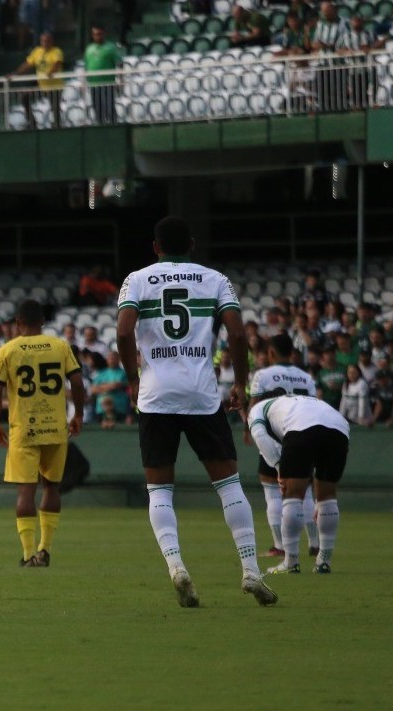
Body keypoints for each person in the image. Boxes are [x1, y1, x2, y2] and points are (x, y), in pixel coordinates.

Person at [115, 216, 278, 608]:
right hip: (202, 395)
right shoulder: (215, 279)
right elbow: (238, 334)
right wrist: (239, 383)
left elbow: (123, 332)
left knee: (160, 489)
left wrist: (133, 378)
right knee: (228, 485)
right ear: (191, 244)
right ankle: (251, 570)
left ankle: (176, 566)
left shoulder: (136, 280)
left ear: (155, 247)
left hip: (156, 395)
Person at [0, 299, 85, 567]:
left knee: (25, 492)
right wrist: (78, 415)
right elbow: (77, 381)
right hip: (55, 428)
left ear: (18, 323)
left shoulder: (7, 350)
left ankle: (28, 553)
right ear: (43, 321)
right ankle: (45, 549)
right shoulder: (60, 346)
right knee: (52, 488)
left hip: (23, 430)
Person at [248, 393, 350, 574]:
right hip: (339, 426)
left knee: (292, 496)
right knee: (327, 496)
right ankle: (323, 560)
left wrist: (279, 467)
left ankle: (290, 562)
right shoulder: (298, 400)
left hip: (301, 427)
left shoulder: (257, 409)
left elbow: (259, 435)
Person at [244, 334, 319, 559]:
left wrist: (248, 430)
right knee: (305, 492)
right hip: (302, 436)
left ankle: (280, 546)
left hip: (273, 437)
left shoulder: (263, 375)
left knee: (272, 492)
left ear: (271, 353)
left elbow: (254, 406)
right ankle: (315, 544)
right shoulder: (306, 378)